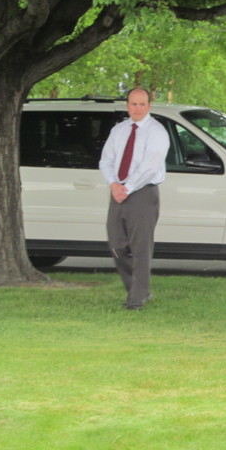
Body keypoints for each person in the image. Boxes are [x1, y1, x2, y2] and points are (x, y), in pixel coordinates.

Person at [99, 88, 170, 310]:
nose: (137, 108)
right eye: (133, 104)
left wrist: (127, 187)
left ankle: (136, 299)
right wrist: (113, 184)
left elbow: (150, 167)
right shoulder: (118, 130)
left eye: (141, 104)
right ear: (127, 105)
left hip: (142, 193)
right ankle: (139, 289)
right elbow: (106, 160)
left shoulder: (157, 132)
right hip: (118, 192)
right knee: (116, 244)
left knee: (140, 248)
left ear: (149, 105)